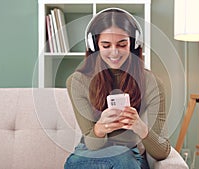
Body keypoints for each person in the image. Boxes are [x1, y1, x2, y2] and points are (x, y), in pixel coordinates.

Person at [64, 8, 170, 169]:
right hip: (89, 154)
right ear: (94, 46)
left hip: (129, 155)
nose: (114, 52)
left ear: (134, 43)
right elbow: (92, 144)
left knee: (122, 159)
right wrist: (100, 128)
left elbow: (162, 152)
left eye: (122, 44)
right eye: (106, 45)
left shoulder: (152, 83)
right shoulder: (77, 81)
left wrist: (140, 127)